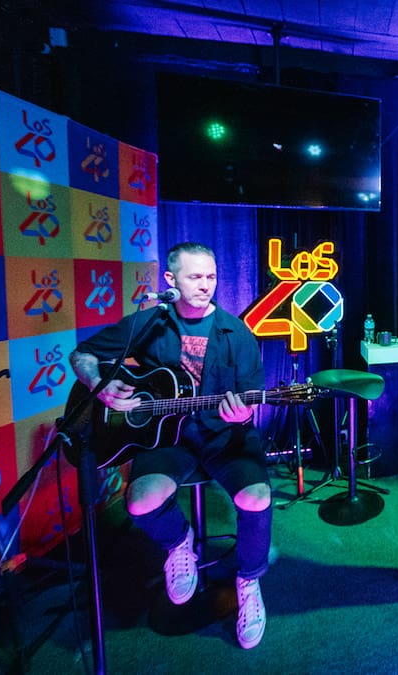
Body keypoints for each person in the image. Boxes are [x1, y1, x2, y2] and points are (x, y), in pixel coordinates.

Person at [69, 242, 271, 649]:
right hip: (166, 438)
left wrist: (242, 414)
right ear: (170, 279)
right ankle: (178, 542)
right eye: (195, 277)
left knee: (257, 498)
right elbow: (82, 355)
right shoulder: (149, 323)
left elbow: (250, 399)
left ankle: (248, 582)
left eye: (211, 277)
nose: (205, 285)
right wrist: (100, 385)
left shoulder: (238, 333)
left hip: (224, 437)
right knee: (140, 502)